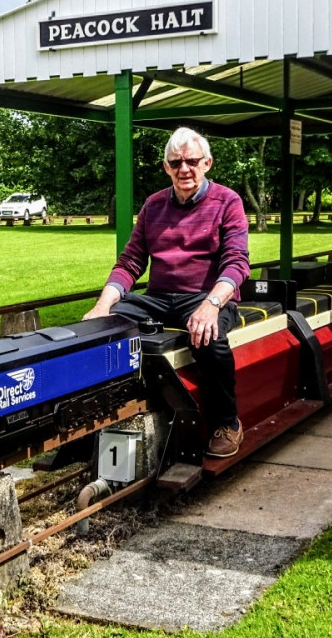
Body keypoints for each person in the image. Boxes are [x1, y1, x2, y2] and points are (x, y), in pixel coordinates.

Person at [83, 126, 250, 458]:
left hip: (206, 295)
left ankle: (228, 423)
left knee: (211, 338)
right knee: (100, 329)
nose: (183, 169)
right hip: (159, 297)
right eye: (175, 162)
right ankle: (97, 418)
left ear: (207, 163)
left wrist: (211, 304)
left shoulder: (228, 201)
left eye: (191, 161)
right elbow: (131, 262)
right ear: (166, 167)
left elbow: (237, 263)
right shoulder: (153, 205)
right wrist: (102, 307)